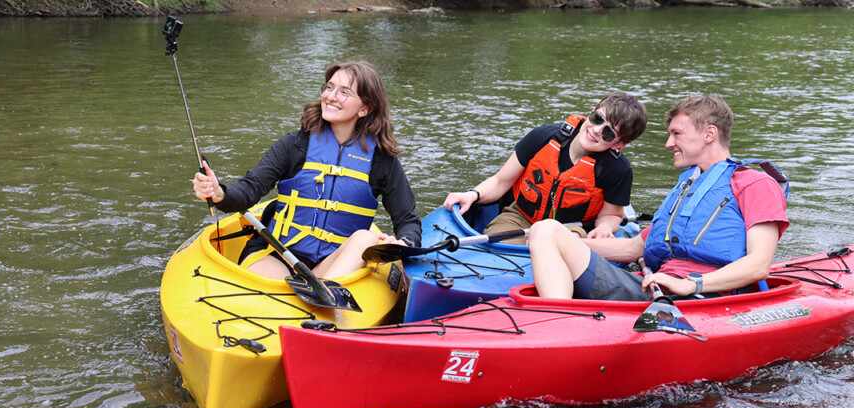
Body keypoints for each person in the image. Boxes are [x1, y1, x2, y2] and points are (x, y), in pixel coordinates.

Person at [528, 94, 789, 301]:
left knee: (548, 231)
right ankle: (558, 314)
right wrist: (562, 242)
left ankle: (557, 320)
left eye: (677, 134)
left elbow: (758, 265)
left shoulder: (756, 184)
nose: (668, 143)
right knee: (547, 229)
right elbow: (632, 249)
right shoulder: (687, 188)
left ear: (709, 134)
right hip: (654, 290)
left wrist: (690, 284)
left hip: (702, 299)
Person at [191, 61, 421, 280]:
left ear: (365, 108)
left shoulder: (382, 161)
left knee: (365, 238)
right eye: (329, 87)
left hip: (334, 263)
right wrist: (220, 193)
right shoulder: (295, 145)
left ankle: (326, 299)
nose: (330, 96)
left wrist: (404, 244)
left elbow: (407, 219)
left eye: (343, 92)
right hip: (279, 255)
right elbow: (251, 188)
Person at [442, 91, 648, 243]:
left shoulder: (617, 169)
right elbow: (500, 181)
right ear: (592, 112)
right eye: (597, 119)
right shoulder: (544, 137)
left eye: (608, 133)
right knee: (501, 244)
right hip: (521, 217)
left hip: (572, 229)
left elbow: (612, 214)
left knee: (555, 248)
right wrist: (473, 195)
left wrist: (604, 228)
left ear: (619, 144)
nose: (595, 130)